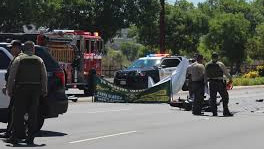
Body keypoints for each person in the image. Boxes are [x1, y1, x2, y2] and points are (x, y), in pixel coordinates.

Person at [6, 41, 48, 144]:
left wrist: (9, 89)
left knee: (18, 114)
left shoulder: (19, 59)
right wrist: (44, 90)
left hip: (21, 89)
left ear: (24, 49)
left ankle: (16, 137)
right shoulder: (39, 60)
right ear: (33, 49)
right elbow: (44, 76)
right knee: (32, 114)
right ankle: (30, 138)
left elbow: (12, 76)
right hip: (35, 91)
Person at [1, 40, 22, 138]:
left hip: (18, 89)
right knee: (13, 111)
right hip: (17, 88)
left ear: (17, 48)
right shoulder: (16, 58)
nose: (11, 50)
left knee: (13, 112)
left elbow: (12, 76)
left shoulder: (19, 59)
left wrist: (8, 87)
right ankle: (12, 132)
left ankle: (11, 133)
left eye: (12, 47)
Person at [205, 52, 233, 117]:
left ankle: (214, 112)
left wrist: (206, 83)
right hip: (219, 83)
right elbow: (226, 73)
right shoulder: (220, 64)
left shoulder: (207, 64)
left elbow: (205, 75)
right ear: (217, 57)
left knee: (213, 98)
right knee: (225, 97)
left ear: (211, 57)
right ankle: (225, 111)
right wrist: (230, 79)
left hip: (211, 83)